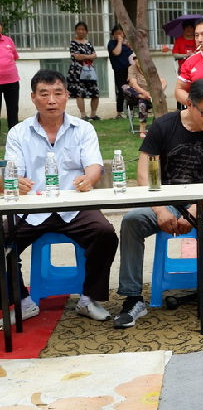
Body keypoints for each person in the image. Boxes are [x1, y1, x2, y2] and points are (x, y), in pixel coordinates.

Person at [114, 79, 203, 328]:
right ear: (189, 104)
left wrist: (195, 210)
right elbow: (143, 175)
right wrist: (160, 209)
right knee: (131, 221)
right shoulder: (164, 126)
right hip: (164, 200)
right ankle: (132, 298)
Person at [3, 69, 118, 325]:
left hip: (74, 206)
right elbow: (12, 171)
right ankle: (22, 302)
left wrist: (89, 179)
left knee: (105, 233)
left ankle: (89, 298)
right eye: (44, 94)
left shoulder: (83, 128)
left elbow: (94, 165)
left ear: (67, 95)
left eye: (57, 93)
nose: (51, 100)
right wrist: (16, 182)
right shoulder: (18, 133)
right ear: (33, 98)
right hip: (32, 208)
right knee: (2, 238)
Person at [123, 55, 166, 138]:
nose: (138, 60)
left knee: (144, 101)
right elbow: (134, 85)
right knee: (125, 88)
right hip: (136, 95)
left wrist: (156, 92)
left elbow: (163, 81)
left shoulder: (149, 68)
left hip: (150, 96)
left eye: (139, 58)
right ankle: (142, 130)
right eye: (135, 59)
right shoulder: (132, 68)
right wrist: (144, 94)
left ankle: (149, 129)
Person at [67, 21, 100, 120]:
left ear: (86, 31)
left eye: (83, 29)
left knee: (95, 92)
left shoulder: (88, 43)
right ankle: (83, 115)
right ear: (76, 31)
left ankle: (93, 114)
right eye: (79, 29)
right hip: (77, 72)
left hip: (90, 71)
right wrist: (89, 56)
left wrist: (84, 56)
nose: (81, 31)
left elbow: (95, 55)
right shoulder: (73, 43)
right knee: (79, 93)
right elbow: (77, 56)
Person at [107, 24, 133, 120]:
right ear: (113, 34)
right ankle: (119, 112)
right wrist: (120, 42)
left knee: (131, 90)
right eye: (116, 33)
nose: (119, 35)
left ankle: (131, 111)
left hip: (129, 70)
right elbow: (116, 52)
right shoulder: (112, 43)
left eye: (120, 33)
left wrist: (128, 45)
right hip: (119, 70)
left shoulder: (126, 44)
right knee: (121, 91)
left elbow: (132, 56)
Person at [0, 20, 20, 135]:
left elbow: (15, 56)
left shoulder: (8, 40)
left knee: (13, 110)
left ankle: (14, 136)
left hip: (12, 81)